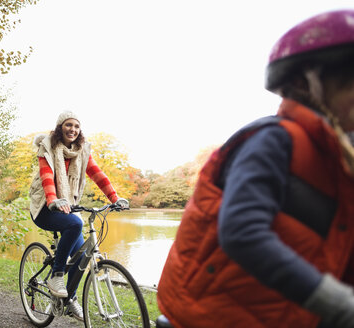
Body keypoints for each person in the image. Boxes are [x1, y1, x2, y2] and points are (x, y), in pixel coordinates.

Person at [157, 10, 354, 328]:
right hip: (217, 316)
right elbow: (242, 232)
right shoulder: (274, 140)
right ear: (308, 84)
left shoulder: (339, 165)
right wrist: (337, 303)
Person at [29, 111, 129, 321]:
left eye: (76, 126)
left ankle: (69, 298)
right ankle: (56, 276)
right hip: (44, 208)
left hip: (67, 206)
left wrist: (114, 198)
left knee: (83, 256)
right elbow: (47, 177)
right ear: (60, 127)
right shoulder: (46, 147)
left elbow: (98, 174)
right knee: (75, 223)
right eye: (68, 125)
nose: (72, 129)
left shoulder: (82, 151)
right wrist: (53, 200)